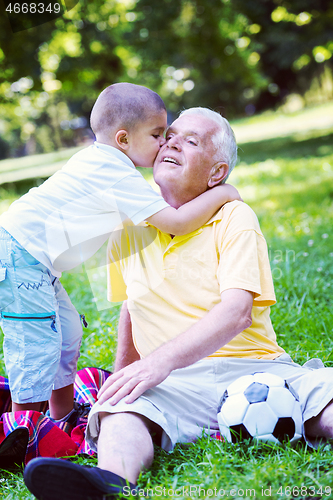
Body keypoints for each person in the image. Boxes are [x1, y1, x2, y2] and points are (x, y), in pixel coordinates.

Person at [24, 108, 333, 500]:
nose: (172, 142)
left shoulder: (233, 215)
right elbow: (131, 310)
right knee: (120, 414)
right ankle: (109, 483)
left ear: (217, 174)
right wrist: (121, 381)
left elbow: (237, 311)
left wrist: (158, 362)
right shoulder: (130, 225)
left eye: (191, 140)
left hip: (256, 368)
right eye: (169, 136)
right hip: (176, 385)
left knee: (323, 392)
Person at [0, 86, 240, 422]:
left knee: (68, 333)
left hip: (31, 261)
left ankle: (62, 416)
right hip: (18, 258)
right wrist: (225, 193)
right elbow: (176, 223)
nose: (164, 144)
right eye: (158, 135)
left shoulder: (101, 160)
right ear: (124, 139)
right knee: (36, 343)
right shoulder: (115, 171)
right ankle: (20, 431)